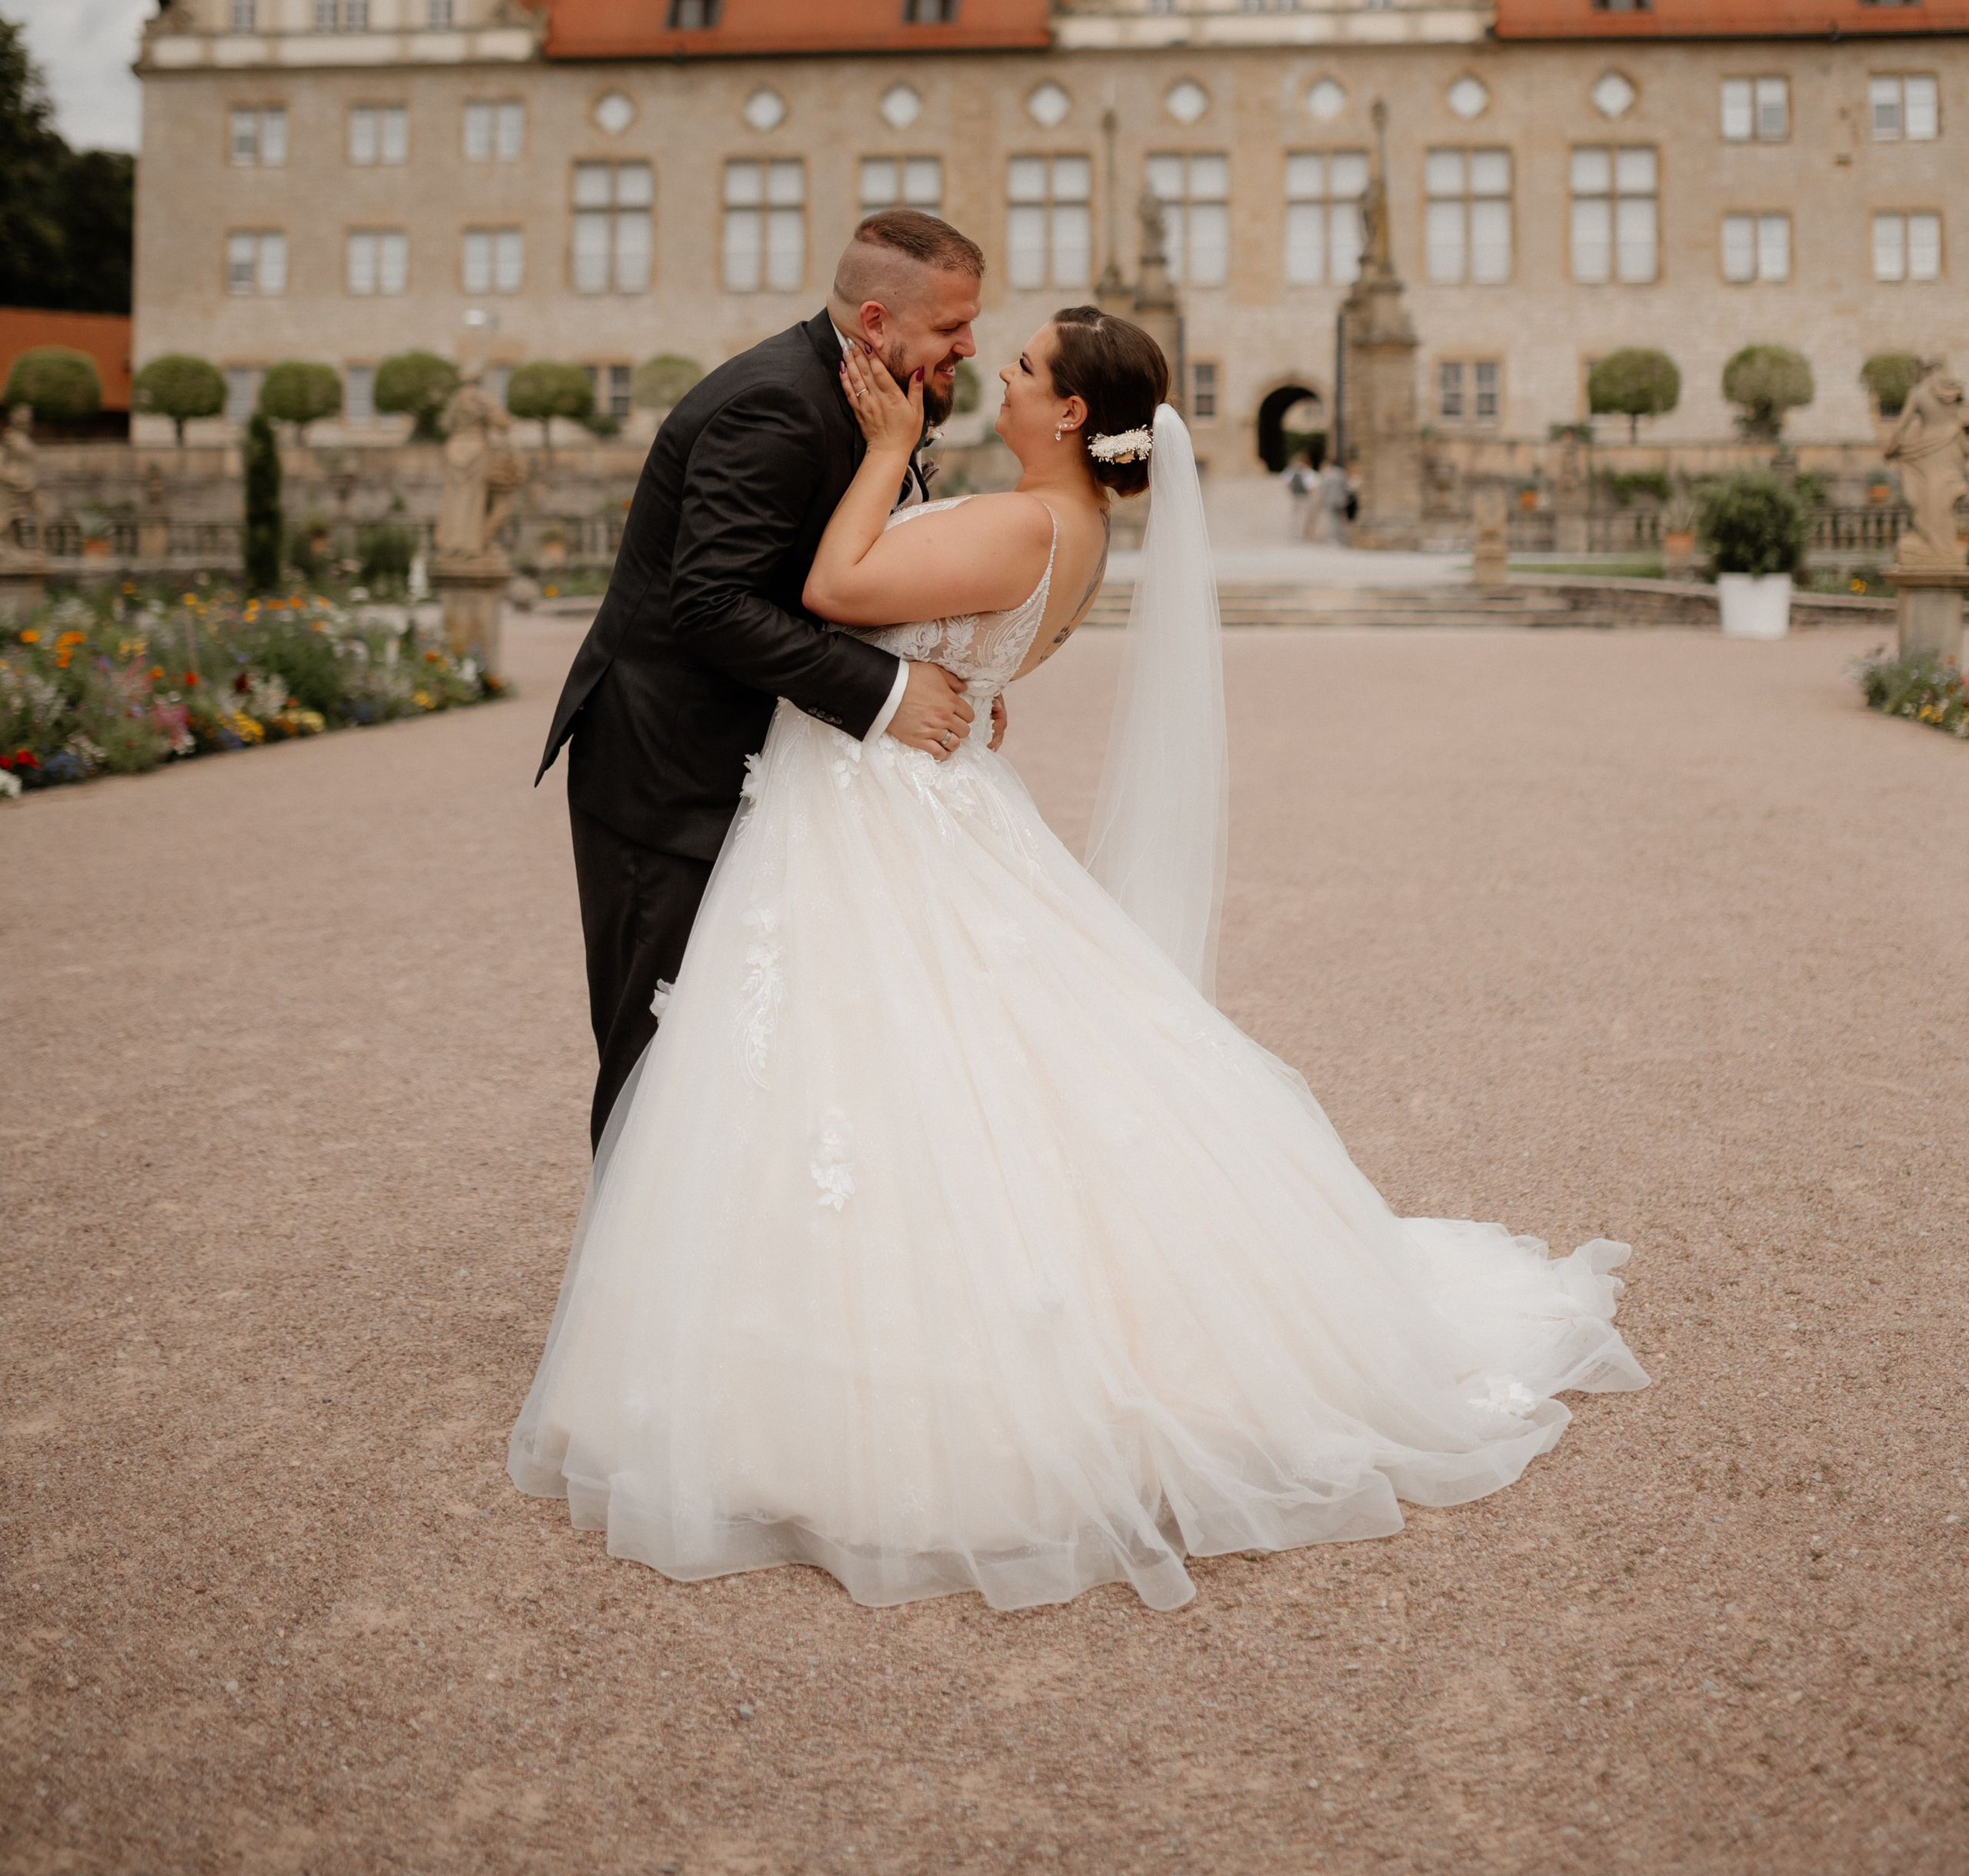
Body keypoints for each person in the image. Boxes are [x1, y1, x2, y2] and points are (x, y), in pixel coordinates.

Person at [511, 300, 1645, 1613]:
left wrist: (883, 454)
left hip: (884, 813)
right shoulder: (1069, 525)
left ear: (1067, 415)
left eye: (1029, 364)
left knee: (886, 1070)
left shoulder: (1026, 519)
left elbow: (833, 592)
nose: (1001, 368)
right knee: (928, 1071)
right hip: (916, 796)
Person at [536, 211, 991, 1148]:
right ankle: (632, 1285)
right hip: (667, 775)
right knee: (659, 1049)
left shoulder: (877, 404)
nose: (971, 346)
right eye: (951, 327)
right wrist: (892, 694)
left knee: (751, 1045)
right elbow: (709, 605)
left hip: (760, 770)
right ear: (877, 321)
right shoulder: (775, 404)